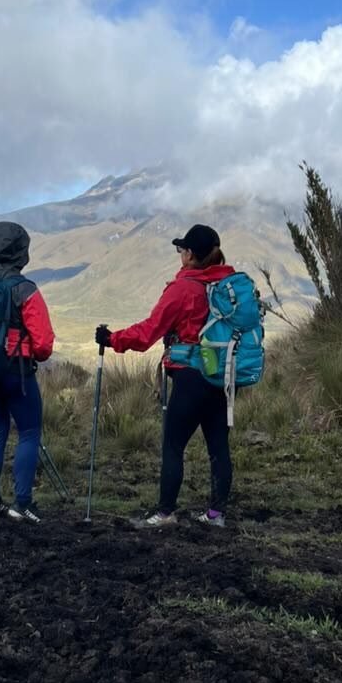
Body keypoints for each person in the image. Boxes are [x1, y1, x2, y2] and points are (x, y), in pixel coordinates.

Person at [95, 224, 234, 529]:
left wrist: (112, 339)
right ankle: (216, 515)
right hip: (220, 377)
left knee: (173, 445)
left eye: (181, 249)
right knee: (218, 447)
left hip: (189, 377)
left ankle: (165, 513)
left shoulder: (183, 288)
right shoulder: (226, 287)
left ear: (189, 255)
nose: (179, 254)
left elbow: (148, 332)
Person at [0, 222, 55, 523]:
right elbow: (44, 344)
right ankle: (22, 504)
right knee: (29, 432)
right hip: (17, 372)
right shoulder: (25, 290)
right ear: (22, 253)